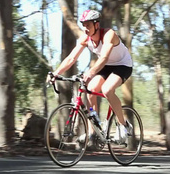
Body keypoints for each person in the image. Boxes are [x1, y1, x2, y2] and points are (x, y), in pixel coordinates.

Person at [47, 9, 133, 144]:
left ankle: (124, 126)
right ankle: (94, 132)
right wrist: (56, 73)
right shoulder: (85, 39)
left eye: (88, 25)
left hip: (123, 65)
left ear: (96, 25)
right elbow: (71, 58)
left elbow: (104, 57)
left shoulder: (109, 34)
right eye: (84, 25)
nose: (85, 28)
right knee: (90, 89)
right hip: (107, 67)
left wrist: (91, 72)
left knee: (107, 89)